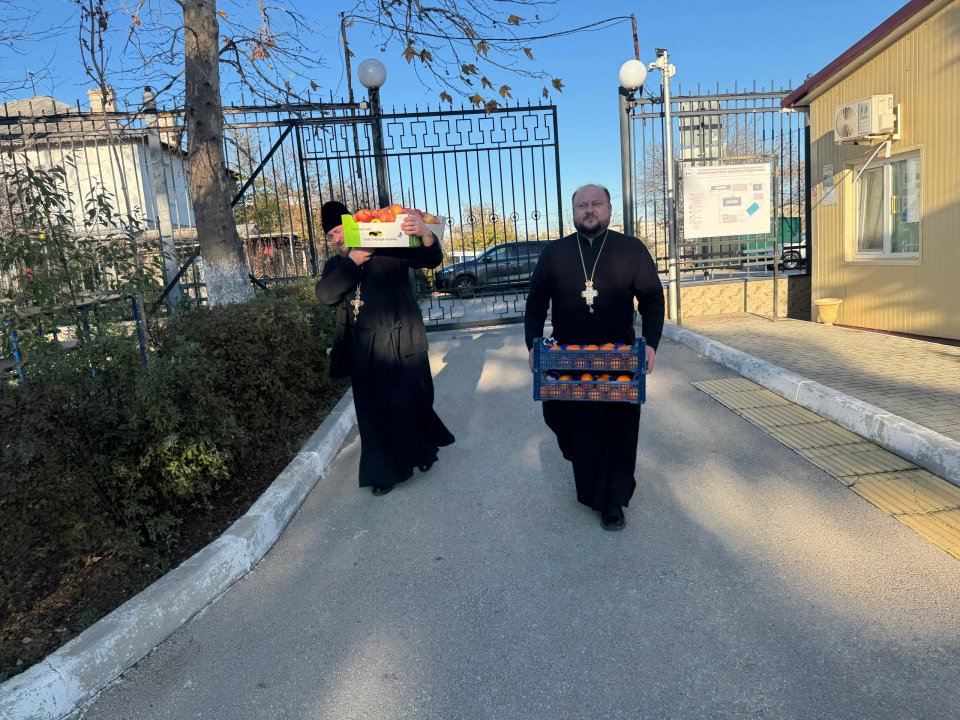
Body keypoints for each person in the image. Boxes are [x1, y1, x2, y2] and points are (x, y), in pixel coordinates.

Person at [525, 184, 664, 531]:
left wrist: (651, 342)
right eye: (582, 205)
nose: (589, 210)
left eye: (596, 204)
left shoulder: (630, 249)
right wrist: (532, 344)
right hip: (566, 360)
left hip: (619, 358)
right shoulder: (555, 253)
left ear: (609, 208)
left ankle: (613, 501)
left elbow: (652, 298)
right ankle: (590, 485)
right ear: (573, 212)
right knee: (568, 424)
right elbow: (536, 301)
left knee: (618, 430)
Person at [315, 201, 454, 496]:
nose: (336, 238)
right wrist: (353, 262)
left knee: (413, 400)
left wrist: (426, 234)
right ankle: (383, 473)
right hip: (364, 348)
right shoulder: (336, 266)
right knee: (373, 413)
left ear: (353, 226)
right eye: (331, 235)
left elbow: (429, 259)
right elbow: (326, 295)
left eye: (340, 230)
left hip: (402, 339)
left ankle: (421, 452)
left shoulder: (387, 245)